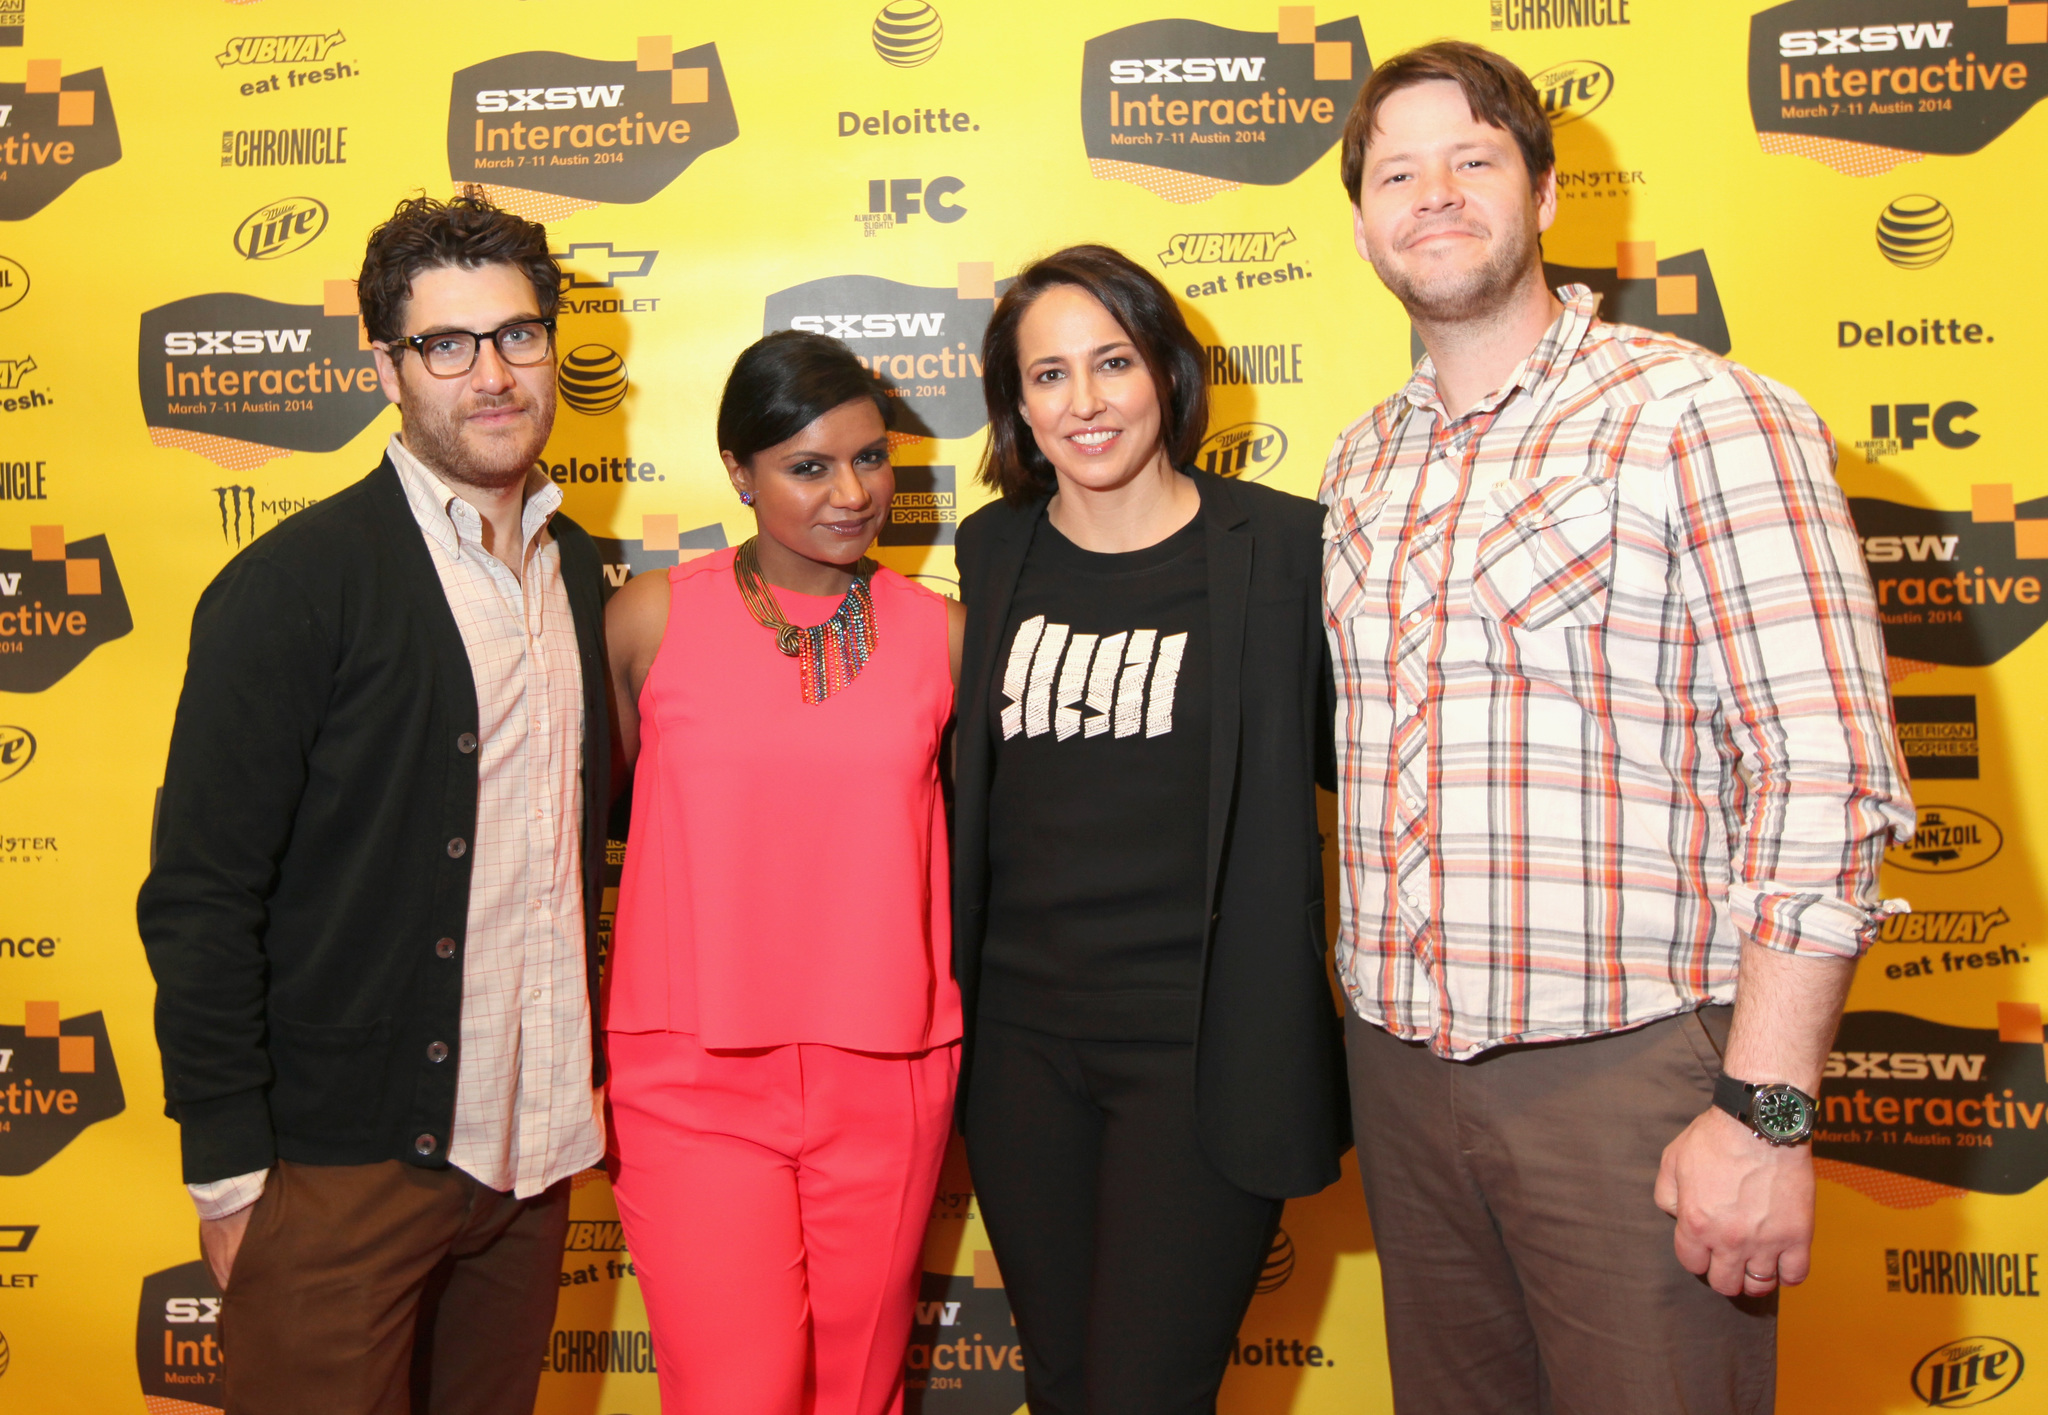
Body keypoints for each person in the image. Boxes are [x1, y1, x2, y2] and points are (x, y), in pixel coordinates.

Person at [1321, 41, 1913, 1414]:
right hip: (1404, 1084)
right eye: (1398, 171)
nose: (1435, 193)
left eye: (1473, 158)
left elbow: (1824, 772)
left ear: (1542, 193)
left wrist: (1764, 1110)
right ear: (1362, 223)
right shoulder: (1361, 460)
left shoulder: (1702, 413)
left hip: (1633, 1079)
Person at [137, 193, 610, 1414]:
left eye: (516, 334)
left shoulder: (595, 584)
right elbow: (200, 894)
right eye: (446, 344)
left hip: (534, 1160)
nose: (491, 374)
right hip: (337, 1169)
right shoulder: (293, 587)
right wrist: (229, 1172)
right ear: (387, 366)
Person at [951, 244, 1349, 1415]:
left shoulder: (1285, 549)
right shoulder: (993, 549)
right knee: (1065, 1381)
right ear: (1014, 404)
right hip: (1020, 1048)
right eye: (1047, 376)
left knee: (1145, 1393)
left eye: (1112, 362)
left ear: (1165, 369)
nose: (1084, 402)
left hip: (1203, 1053)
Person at [601, 330, 965, 1415]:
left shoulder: (942, 633)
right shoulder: (650, 617)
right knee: (733, 1394)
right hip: (689, 1070)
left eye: (869, 457)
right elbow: (595, 825)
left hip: (890, 1068)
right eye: (808, 466)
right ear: (739, 473)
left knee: (859, 1394)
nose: (850, 492)